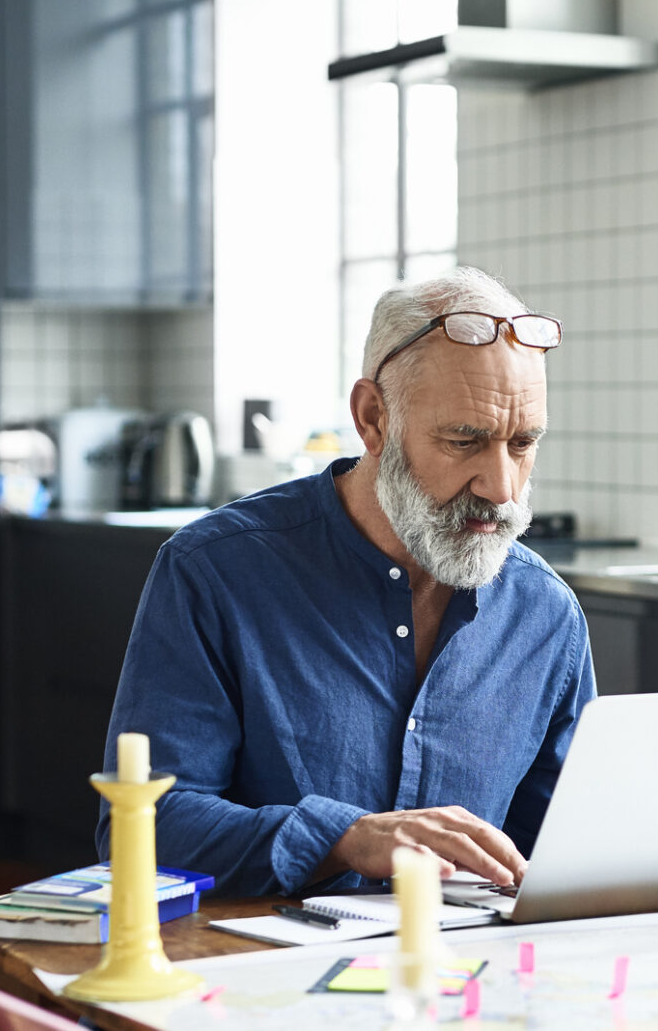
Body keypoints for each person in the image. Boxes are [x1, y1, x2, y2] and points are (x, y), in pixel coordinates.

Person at [98, 267, 596, 896]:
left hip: (466, 979)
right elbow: (140, 829)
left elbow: (565, 848)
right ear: (373, 418)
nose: (502, 487)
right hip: (258, 978)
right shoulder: (214, 572)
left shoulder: (544, 613)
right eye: (464, 441)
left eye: (523, 443)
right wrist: (344, 839)